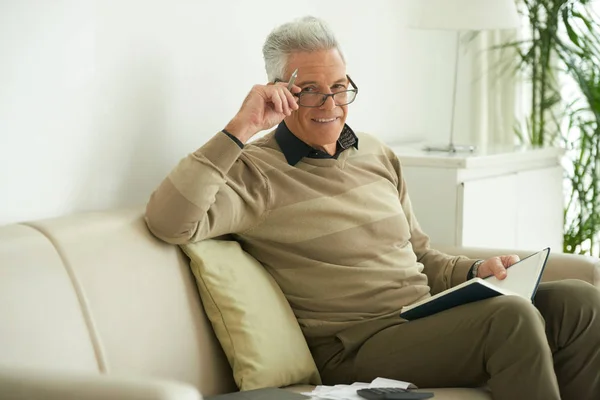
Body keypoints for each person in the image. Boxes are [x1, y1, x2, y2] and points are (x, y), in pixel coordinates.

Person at [145, 16, 600, 400]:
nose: (330, 104)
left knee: (581, 301)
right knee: (511, 320)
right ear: (278, 93)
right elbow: (168, 222)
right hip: (354, 346)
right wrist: (240, 127)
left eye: (339, 88)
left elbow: (421, 256)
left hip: (424, 316)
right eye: (310, 91)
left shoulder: (376, 153)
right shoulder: (256, 173)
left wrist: (474, 270)